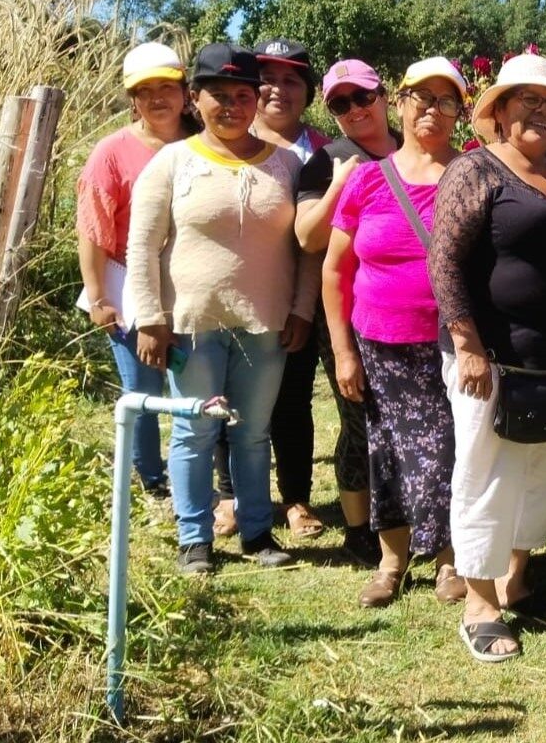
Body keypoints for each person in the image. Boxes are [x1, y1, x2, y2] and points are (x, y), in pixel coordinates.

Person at [125, 42, 319, 575]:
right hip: (191, 327)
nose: (231, 106)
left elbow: (303, 247)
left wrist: (302, 310)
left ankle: (257, 533)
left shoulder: (284, 165)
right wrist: (150, 318)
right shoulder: (172, 162)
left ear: (256, 100)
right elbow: (141, 245)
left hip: (264, 325)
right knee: (195, 430)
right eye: (218, 96)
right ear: (195, 98)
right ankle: (196, 537)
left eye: (242, 95)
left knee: (253, 431)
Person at [431, 54, 546, 662]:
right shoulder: (475, 170)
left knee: (541, 477)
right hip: (493, 362)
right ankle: (479, 602)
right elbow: (444, 260)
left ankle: (516, 580)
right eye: (524, 99)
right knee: (486, 477)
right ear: (499, 111)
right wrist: (467, 343)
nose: (539, 110)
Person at [323, 57, 467, 608]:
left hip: (452, 345)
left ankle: (450, 559)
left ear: (460, 110)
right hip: (379, 343)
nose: (432, 109)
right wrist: (341, 351)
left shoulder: (471, 174)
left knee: (449, 450)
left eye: (446, 99)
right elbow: (335, 269)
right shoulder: (366, 179)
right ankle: (392, 560)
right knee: (386, 448)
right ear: (400, 102)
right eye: (422, 97)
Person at [212, 38, 332, 540]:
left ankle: (297, 499)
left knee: (292, 401)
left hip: (299, 297)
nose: (278, 89)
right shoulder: (221, 140)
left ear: (307, 92)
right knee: (223, 400)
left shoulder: (325, 150)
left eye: (291, 80)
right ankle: (228, 498)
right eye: (267, 79)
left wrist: (304, 306)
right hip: (231, 296)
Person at [292, 59, 401, 567]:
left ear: (382, 95)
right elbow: (308, 238)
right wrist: (341, 183)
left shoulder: (411, 150)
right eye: (340, 103)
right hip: (348, 317)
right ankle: (359, 530)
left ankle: (407, 518)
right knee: (358, 421)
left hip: (408, 316)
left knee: (409, 420)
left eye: (361, 97)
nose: (354, 110)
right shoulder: (325, 161)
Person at [75, 41, 190, 499]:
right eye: (146, 90)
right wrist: (98, 296)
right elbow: (92, 227)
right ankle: (152, 479)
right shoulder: (112, 152)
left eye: (167, 86)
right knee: (142, 385)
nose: (158, 97)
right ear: (132, 100)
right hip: (129, 284)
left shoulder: (203, 143)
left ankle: (200, 478)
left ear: (185, 91)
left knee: (190, 384)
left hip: (188, 286)